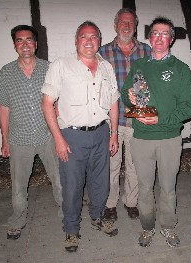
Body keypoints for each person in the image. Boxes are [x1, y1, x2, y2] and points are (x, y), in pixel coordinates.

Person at [41, 21, 120, 253]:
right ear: (76, 41)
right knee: (73, 187)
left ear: (99, 40)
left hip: (101, 134)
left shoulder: (106, 67)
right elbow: (47, 103)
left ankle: (97, 217)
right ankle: (72, 229)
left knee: (101, 183)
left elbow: (114, 101)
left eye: (94, 37)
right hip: (72, 137)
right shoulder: (61, 65)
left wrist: (113, 133)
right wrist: (58, 138)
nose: (89, 41)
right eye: (84, 36)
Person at [121, 17, 191, 248]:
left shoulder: (181, 69)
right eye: (155, 33)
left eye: (165, 34)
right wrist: (129, 97)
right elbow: (125, 93)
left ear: (171, 39)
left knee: (167, 188)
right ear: (150, 38)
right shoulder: (139, 65)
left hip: (170, 139)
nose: (160, 38)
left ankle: (168, 226)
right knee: (143, 187)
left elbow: (188, 108)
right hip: (141, 138)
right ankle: (147, 227)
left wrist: (161, 118)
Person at [0, 25, 62, 240]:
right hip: (19, 138)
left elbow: (58, 102)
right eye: (20, 40)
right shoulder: (6, 72)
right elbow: (4, 108)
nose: (25, 44)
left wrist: (60, 134)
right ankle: (17, 220)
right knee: (19, 184)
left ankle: (67, 214)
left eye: (29, 40)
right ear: (15, 45)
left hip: (47, 135)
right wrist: (5, 140)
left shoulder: (49, 68)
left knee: (60, 179)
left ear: (36, 43)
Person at [99, 8, 151, 220]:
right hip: (110, 121)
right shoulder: (102, 52)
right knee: (110, 165)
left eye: (131, 23)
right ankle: (110, 203)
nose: (127, 26)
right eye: (122, 22)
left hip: (137, 119)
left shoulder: (147, 51)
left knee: (134, 165)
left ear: (136, 26)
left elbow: (154, 84)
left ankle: (131, 201)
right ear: (115, 25)